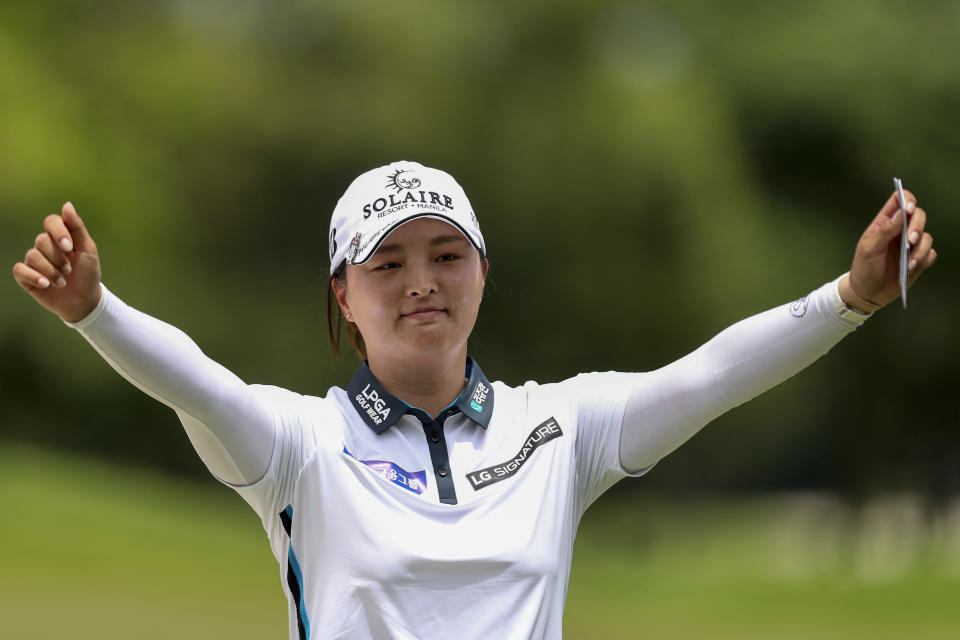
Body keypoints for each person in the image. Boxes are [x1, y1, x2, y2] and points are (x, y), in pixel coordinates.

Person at [12, 160, 937, 639]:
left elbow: (708, 377)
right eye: (388, 263)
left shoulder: (558, 430)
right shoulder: (299, 445)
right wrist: (95, 310)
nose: (422, 282)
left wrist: (848, 299)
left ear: (484, 274)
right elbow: (197, 380)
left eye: (446, 256)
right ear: (343, 293)